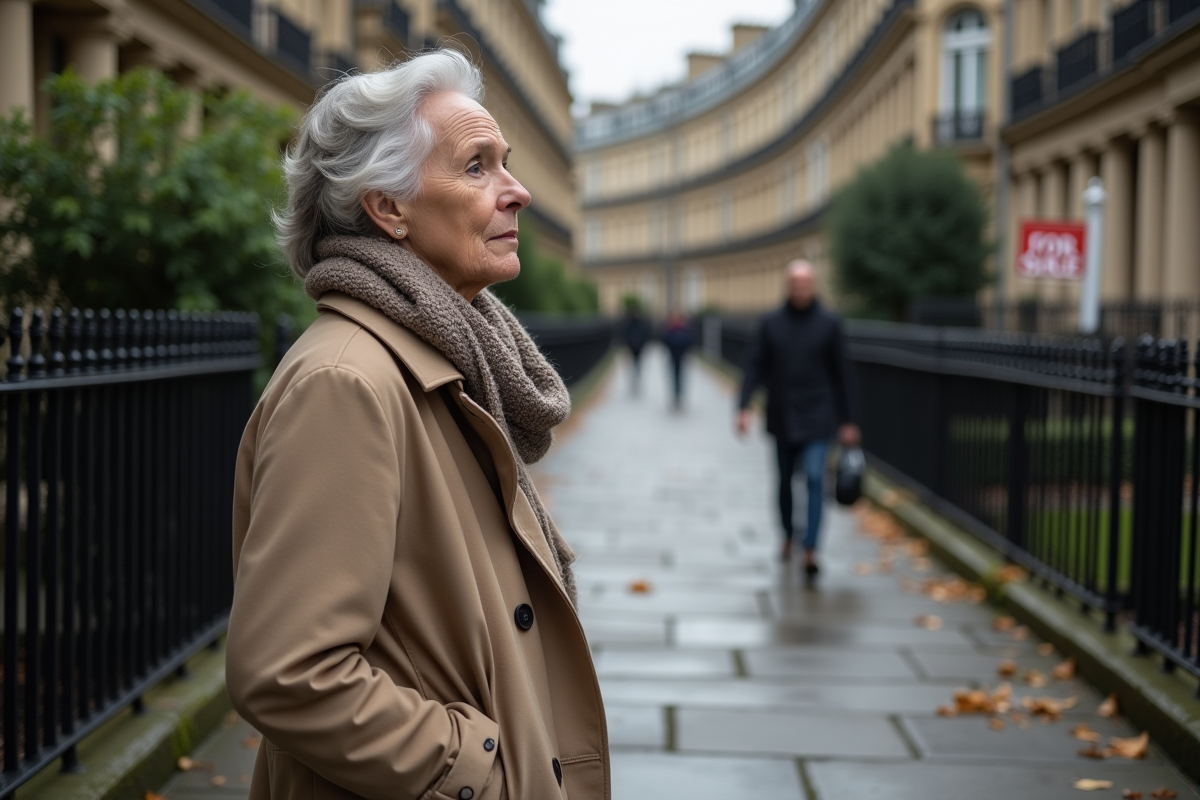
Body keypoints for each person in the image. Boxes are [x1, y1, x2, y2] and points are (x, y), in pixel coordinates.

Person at [225, 51, 608, 800]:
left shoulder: (446, 359)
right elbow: (289, 673)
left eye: (508, 164)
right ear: (387, 207)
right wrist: (479, 774)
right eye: (477, 167)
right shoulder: (346, 384)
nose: (518, 192)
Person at [736, 260, 860, 576]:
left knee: (817, 478)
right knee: (785, 481)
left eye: (806, 283)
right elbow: (754, 365)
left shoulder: (829, 323)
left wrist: (848, 420)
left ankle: (811, 547)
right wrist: (743, 407)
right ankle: (788, 534)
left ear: (813, 286)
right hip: (782, 414)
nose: (801, 289)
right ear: (788, 286)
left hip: (819, 415)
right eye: (796, 283)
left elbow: (841, 373)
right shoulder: (771, 322)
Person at [661, 310, 694, 410]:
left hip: (682, 356)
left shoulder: (684, 328)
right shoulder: (670, 328)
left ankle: (679, 394)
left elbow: (690, 341)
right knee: (673, 376)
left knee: (681, 376)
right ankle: (675, 394)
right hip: (672, 356)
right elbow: (665, 340)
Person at [621, 301, 651, 394]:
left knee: (635, 365)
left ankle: (635, 382)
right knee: (636, 365)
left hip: (635, 347)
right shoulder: (639, 323)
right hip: (637, 347)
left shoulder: (630, 324)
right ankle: (635, 382)